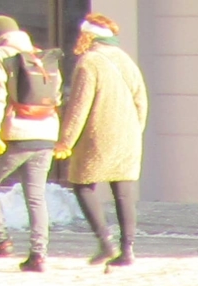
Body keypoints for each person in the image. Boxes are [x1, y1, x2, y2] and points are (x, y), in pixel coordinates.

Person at [52, 11, 143, 268]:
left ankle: (105, 242)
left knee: (82, 184)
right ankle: (127, 250)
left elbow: (79, 106)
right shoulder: (126, 60)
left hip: (97, 136)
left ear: (89, 36)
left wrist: (66, 142)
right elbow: (141, 101)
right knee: (124, 193)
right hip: (128, 137)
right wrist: (136, 130)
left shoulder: (89, 62)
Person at [0, 16, 58, 271]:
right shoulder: (39, 57)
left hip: (16, 135)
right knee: (36, 197)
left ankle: (1, 241)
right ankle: (39, 255)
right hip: (45, 134)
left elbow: (0, 98)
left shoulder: (3, 57)